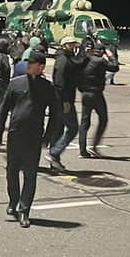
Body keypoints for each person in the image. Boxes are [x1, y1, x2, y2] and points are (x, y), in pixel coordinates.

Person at [0, 51, 62, 228]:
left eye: (32, 63)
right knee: (11, 171)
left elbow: (56, 113)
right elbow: (3, 108)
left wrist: (47, 137)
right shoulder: (16, 84)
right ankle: (13, 199)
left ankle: (24, 210)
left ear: (41, 67)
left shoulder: (47, 87)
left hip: (34, 137)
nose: (28, 65)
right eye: (28, 63)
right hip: (15, 134)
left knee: (30, 175)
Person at [46, 36, 89, 170]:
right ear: (64, 45)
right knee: (73, 127)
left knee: (58, 130)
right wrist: (64, 101)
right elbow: (59, 83)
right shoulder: (63, 60)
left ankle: (54, 161)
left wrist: (86, 55)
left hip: (62, 99)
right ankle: (54, 152)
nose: (73, 46)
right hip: (63, 100)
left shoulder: (68, 58)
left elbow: (77, 65)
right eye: (71, 44)